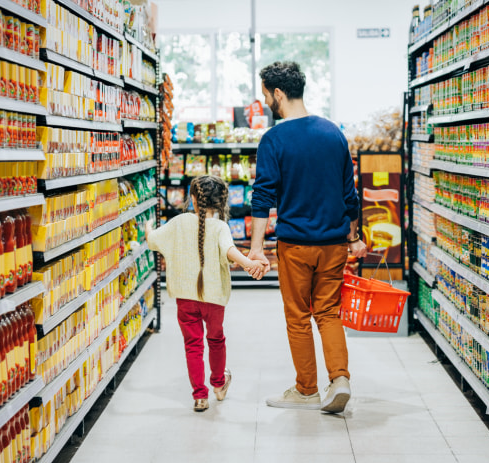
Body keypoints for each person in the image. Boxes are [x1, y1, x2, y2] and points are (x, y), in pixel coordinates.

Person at [249, 61, 368, 414]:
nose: (266, 101)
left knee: (298, 316)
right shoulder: (333, 132)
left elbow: (263, 196)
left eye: (266, 94)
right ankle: (340, 379)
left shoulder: (274, 139)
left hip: (296, 245)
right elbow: (350, 194)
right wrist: (354, 236)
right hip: (333, 245)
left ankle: (306, 390)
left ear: (278, 93)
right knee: (329, 313)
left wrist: (256, 248)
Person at [146, 175, 266, 412]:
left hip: (185, 298)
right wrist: (248, 264)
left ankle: (200, 396)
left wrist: (149, 227)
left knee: (193, 345)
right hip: (214, 299)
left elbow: (153, 241)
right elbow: (229, 251)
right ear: (222, 201)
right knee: (216, 339)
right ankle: (219, 385)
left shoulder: (179, 222)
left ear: (193, 199)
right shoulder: (221, 227)